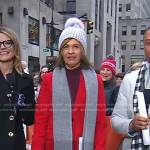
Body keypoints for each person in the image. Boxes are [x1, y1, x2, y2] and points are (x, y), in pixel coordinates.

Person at [32, 17, 106, 150]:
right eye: (66, 47)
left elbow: (100, 123)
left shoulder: (97, 80)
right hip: (53, 145)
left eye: (76, 46)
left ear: (82, 50)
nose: (70, 51)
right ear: (61, 51)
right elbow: (41, 122)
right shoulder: (49, 80)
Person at [111, 27, 150, 150]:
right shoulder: (130, 80)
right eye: (149, 43)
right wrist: (132, 124)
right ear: (144, 46)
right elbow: (115, 120)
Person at [0, 26, 35, 150]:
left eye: (7, 42)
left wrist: (21, 102)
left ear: (15, 47)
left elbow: (29, 119)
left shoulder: (26, 79)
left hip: (16, 144)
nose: (2, 47)